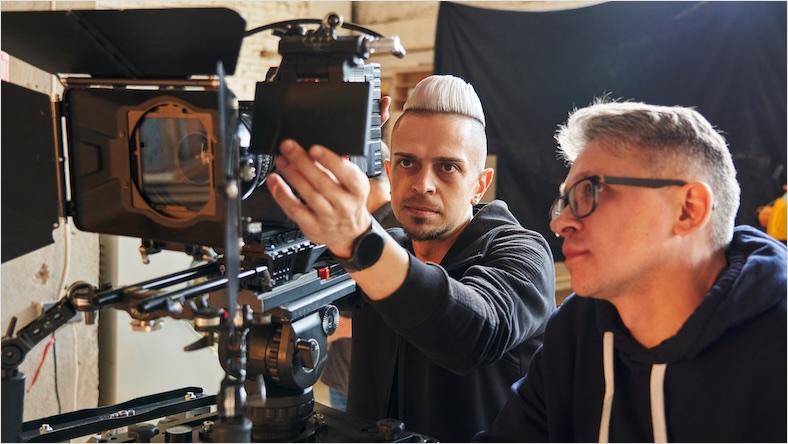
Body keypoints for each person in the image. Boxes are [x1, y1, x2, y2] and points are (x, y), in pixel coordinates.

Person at [267, 75, 556, 441]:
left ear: (479, 185)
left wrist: (362, 242)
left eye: (447, 167)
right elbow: (287, 268)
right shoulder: (393, 244)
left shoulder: (521, 253)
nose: (423, 184)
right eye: (407, 163)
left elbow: (473, 332)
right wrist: (289, 142)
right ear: (389, 173)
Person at [477, 101, 787, 442]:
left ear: (688, 209)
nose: (559, 222)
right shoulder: (576, 331)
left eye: (588, 192)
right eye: (564, 202)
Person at [320, 141, 400, 411]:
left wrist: (324, 327)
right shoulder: (352, 231)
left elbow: (401, 320)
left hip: (374, 386)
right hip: (343, 377)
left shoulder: (394, 234)